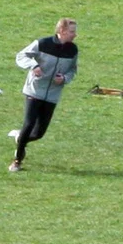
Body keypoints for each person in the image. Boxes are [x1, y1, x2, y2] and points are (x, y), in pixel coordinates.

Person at [9, 17, 78, 173]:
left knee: (39, 133)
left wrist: (64, 78)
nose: (75, 35)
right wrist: (34, 66)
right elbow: (21, 56)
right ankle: (17, 161)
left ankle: (20, 139)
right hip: (34, 91)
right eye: (72, 32)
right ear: (62, 31)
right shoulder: (43, 43)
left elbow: (73, 70)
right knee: (28, 124)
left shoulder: (73, 50)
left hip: (52, 95)